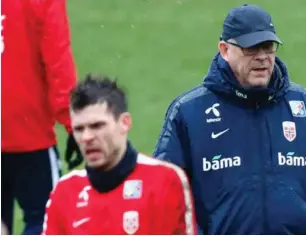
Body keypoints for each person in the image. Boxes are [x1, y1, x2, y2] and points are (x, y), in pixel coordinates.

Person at [153, 4, 306, 235]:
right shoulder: (189, 112)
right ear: (224, 50)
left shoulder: (305, 106)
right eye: (251, 48)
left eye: (268, 47)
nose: (262, 57)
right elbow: (166, 190)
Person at [42, 74, 197, 235]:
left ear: (124, 123)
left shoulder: (165, 180)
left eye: (97, 126)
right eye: (79, 129)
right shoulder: (65, 192)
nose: (86, 137)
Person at [1, 0, 82, 234]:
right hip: (28, 132)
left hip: (26, 130)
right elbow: (58, 62)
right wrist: (72, 122)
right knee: (46, 220)